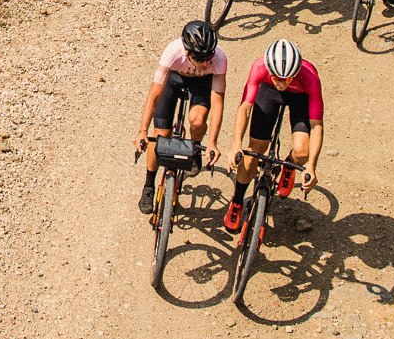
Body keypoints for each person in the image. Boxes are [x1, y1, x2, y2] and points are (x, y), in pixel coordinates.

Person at [223, 38, 324, 231]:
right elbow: (245, 108)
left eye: (287, 79)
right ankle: (237, 200)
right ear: (270, 70)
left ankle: (288, 167)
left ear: (295, 73)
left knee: (302, 152)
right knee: (253, 152)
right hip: (267, 93)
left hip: (300, 97)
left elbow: (317, 124)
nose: (281, 83)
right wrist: (236, 144)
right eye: (277, 78)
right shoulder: (260, 67)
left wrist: (311, 165)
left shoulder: (309, 76)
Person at [136, 20, 226, 213]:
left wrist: (212, 142)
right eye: (199, 58)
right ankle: (149, 185)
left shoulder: (219, 59)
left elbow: (217, 102)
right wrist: (142, 130)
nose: (205, 63)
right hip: (174, 78)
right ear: (187, 52)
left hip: (202, 83)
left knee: (198, 119)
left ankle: (195, 149)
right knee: (160, 136)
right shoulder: (173, 51)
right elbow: (154, 95)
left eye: (208, 57)